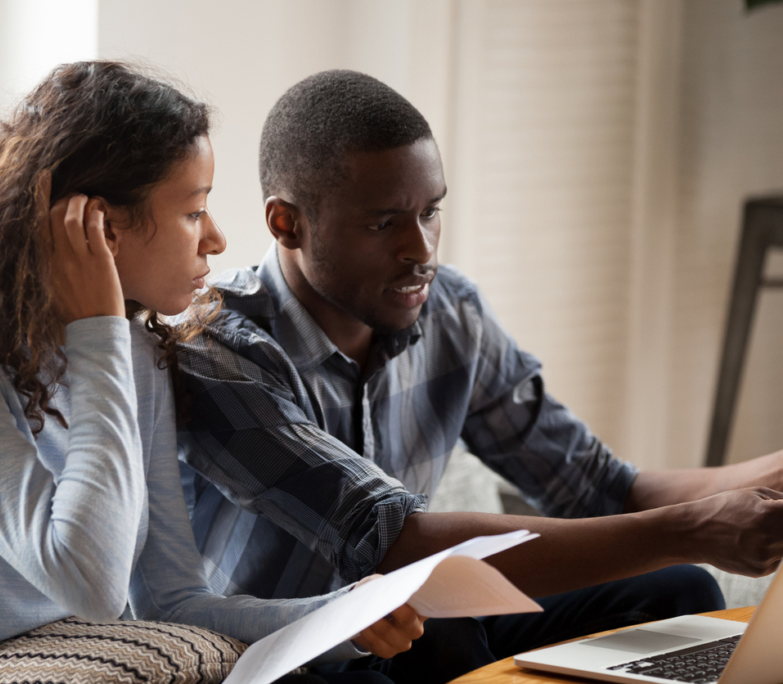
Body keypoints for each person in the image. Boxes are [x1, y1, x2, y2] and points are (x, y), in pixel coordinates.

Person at [175, 69, 783, 683]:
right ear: (287, 224)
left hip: (418, 624)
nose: (422, 249)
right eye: (385, 223)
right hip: (297, 653)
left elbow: (597, 486)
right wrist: (689, 528)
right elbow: (395, 541)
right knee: (430, 634)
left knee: (677, 593)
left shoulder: (450, 313)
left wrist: (764, 483)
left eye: (431, 212)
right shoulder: (219, 349)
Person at [0, 61, 423, 684]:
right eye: (194, 211)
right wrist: (101, 336)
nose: (216, 239)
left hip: (104, 652)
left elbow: (172, 602)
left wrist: (338, 616)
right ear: (102, 228)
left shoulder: (136, 359)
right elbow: (89, 582)